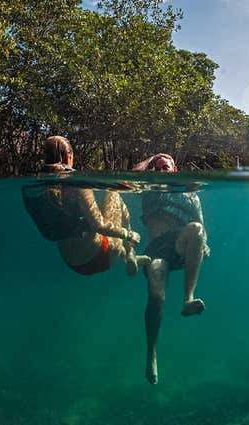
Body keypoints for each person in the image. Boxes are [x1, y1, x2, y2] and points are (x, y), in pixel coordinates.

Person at [23, 136, 149, 276]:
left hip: (71, 262)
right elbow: (98, 225)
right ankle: (130, 251)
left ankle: (127, 254)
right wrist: (128, 234)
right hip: (101, 257)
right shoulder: (77, 181)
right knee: (113, 194)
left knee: (87, 225)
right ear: (69, 155)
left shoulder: (34, 186)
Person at [133, 153, 210, 384]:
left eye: (165, 167)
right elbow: (135, 172)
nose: (160, 171)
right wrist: (153, 158)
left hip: (179, 244)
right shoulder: (148, 187)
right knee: (156, 296)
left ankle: (188, 299)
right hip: (157, 249)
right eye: (156, 168)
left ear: (174, 169)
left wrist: (204, 244)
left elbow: (201, 224)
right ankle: (151, 353)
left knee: (196, 229)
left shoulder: (190, 192)